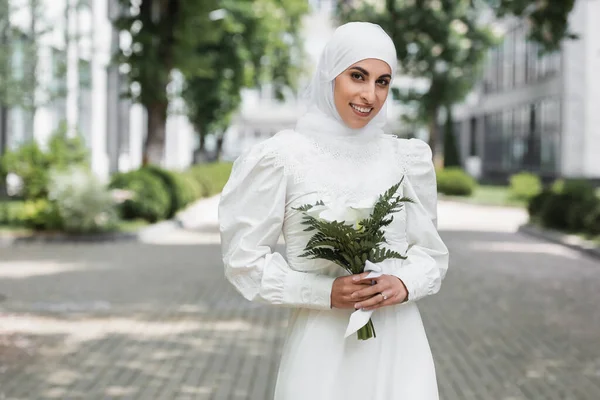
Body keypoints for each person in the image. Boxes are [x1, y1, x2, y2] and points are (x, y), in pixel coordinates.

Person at [218, 21, 449, 400]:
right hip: (320, 351)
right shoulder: (282, 158)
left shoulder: (405, 159)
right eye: (357, 76)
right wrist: (323, 292)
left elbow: (431, 255)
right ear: (330, 76)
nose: (369, 94)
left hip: (399, 345)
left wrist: (404, 283)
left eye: (382, 81)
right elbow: (243, 262)